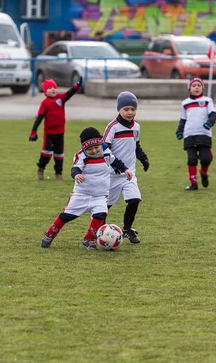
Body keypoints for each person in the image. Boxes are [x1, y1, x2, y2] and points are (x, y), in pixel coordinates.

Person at [40, 127, 132, 250]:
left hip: (100, 195)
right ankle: (50, 234)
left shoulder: (106, 152)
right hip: (82, 194)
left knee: (101, 215)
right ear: (84, 148)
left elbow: (116, 162)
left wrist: (125, 169)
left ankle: (89, 239)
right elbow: (75, 168)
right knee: (67, 216)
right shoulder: (81, 156)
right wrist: (77, 175)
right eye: (89, 149)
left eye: (96, 147)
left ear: (100, 143)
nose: (94, 151)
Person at [103, 91, 149, 244]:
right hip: (113, 174)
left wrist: (143, 158)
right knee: (105, 206)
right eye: (126, 109)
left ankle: (127, 229)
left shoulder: (136, 127)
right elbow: (105, 150)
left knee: (134, 199)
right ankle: (97, 231)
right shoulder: (113, 127)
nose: (130, 112)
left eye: (133, 109)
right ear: (119, 109)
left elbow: (136, 146)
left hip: (129, 174)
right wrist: (117, 166)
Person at [29, 77, 82, 180]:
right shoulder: (45, 103)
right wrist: (33, 131)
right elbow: (39, 117)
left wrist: (76, 86)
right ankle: (41, 168)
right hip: (49, 133)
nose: (53, 89)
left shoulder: (61, 98)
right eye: (50, 88)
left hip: (60, 132)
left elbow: (69, 93)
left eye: (54, 87)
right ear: (45, 91)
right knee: (46, 153)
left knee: (59, 154)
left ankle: (59, 173)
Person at [175, 77, 216, 190]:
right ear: (190, 89)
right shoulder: (185, 103)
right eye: (194, 85)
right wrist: (179, 131)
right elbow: (183, 119)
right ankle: (193, 184)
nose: (196, 87)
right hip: (190, 135)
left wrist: (209, 123)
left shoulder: (207, 101)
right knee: (191, 160)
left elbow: (213, 114)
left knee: (206, 159)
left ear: (202, 88)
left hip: (204, 134)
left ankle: (203, 173)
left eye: (199, 85)